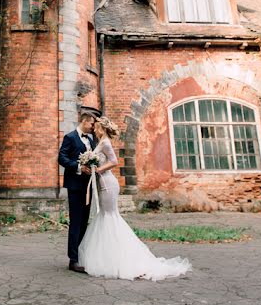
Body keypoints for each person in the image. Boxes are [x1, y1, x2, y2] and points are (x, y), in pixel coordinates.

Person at [78, 116, 192, 281]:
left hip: (108, 184)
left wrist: (98, 170)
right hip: (103, 183)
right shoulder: (101, 142)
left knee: (110, 216)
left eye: (96, 127)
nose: (94, 129)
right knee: (104, 215)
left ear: (101, 128)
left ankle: (123, 258)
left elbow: (114, 161)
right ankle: (109, 256)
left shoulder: (105, 143)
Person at [57, 111, 98, 273]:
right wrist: (79, 167)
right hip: (75, 186)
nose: (93, 127)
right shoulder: (70, 137)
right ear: (84, 121)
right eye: (91, 124)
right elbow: (61, 158)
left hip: (88, 186)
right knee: (75, 222)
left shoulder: (91, 140)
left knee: (84, 222)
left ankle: (81, 255)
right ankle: (73, 260)